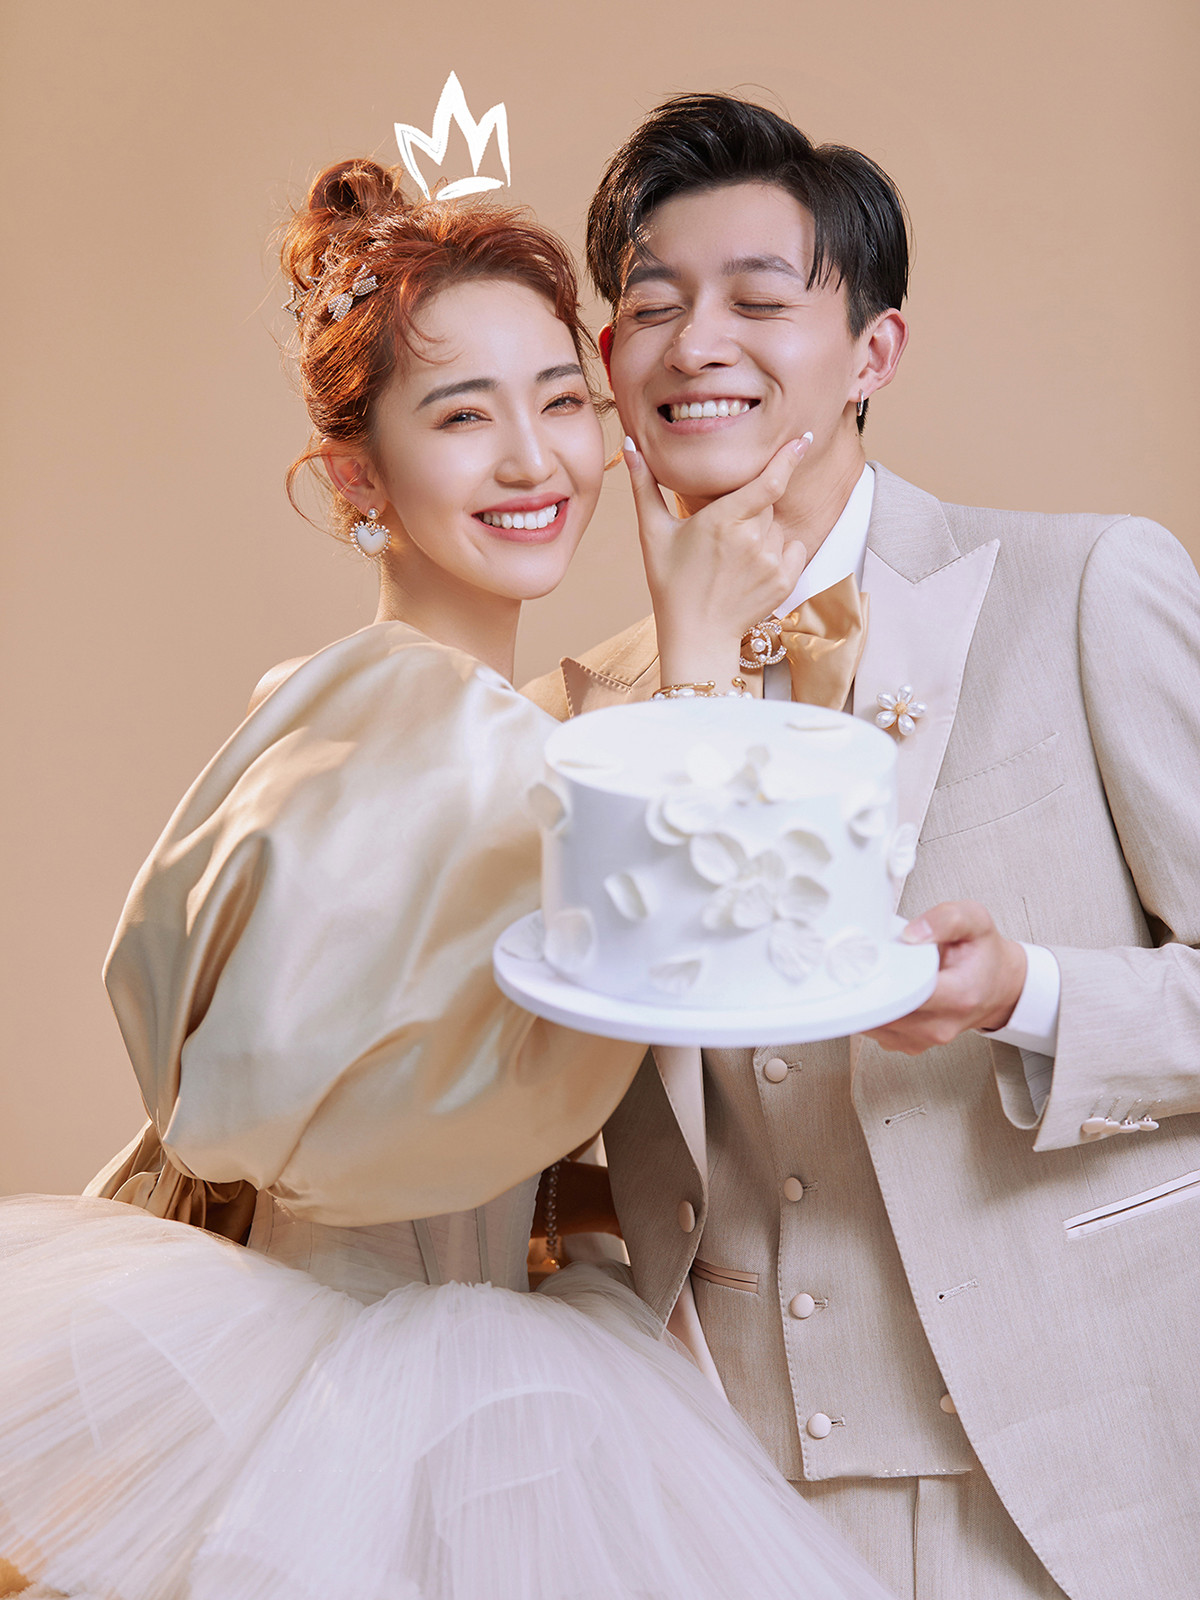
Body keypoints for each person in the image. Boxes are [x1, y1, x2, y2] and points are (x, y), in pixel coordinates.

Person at [0, 158, 896, 1600]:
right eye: (463, 415)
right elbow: (655, 976)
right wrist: (692, 663)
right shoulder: (426, 718)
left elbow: (446, 1057)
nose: (535, 461)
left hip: (414, 1337)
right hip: (377, 1382)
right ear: (357, 475)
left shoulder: (386, 706)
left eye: (562, 400)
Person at [523, 93, 1200, 1600]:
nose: (698, 345)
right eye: (652, 306)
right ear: (611, 360)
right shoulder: (572, 720)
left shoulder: (1086, 588)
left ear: (874, 352)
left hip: (1080, 1463)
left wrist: (1030, 994)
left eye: (760, 301)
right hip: (722, 1482)